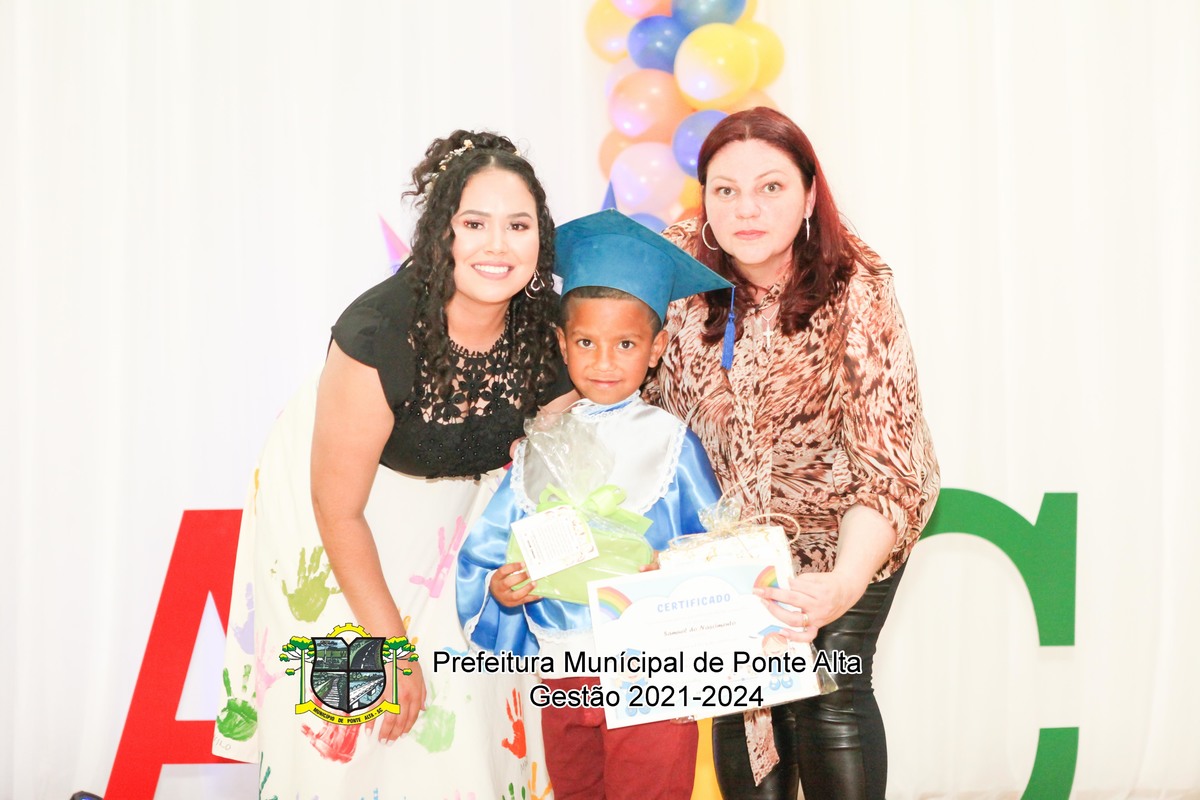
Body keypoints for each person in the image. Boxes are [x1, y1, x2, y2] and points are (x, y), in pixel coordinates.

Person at [213, 129, 575, 799]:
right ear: (442, 234)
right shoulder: (379, 331)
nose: (498, 246)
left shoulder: (549, 330)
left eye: (518, 225)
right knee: (348, 728)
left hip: (461, 522)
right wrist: (392, 650)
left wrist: (543, 562)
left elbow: (557, 478)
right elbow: (337, 508)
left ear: (540, 237)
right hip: (334, 518)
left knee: (464, 732)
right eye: (475, 224)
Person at [646, 107, 940, 800]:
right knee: (742, 695)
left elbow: (886, 467)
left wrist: (843, 581)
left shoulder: (857, 288)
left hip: (848, 527)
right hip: (731, 538)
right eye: (725, 190)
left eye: (771, 187)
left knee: (831, 687)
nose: (746, 209)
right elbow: (620, 370)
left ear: (809, 196)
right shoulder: (672, 268)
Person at [456, 209, 728, 800]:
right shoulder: (541, 444)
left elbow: (716, 546)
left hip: (651, 671)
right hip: (564, 671)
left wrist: (673, 571)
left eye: (625, 344)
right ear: (562, 344)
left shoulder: (672, 444)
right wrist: (501, 587)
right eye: (586, 342)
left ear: (656, 348)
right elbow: (491, 551)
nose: (604, 362)